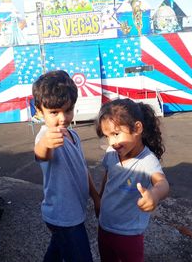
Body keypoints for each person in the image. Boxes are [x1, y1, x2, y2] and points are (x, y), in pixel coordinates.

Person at [32, 70, 100, 262]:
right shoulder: (45, 136)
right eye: (54, 112)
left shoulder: (74, 136)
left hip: (75, 211)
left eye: (68, 110)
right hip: (63, 216)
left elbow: (82, 168)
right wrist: (45, 143)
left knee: (58, 250)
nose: (62, 118)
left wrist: (96, 197)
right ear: (39, 110)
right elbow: (40, 153)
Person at [94, 98, 170, 262]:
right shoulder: (111, 153)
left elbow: (162, 183)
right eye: (108, 136)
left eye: (116, 134)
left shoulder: (147, 161)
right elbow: (108, 177)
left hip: (129, 233)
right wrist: (99, 200)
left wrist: (154, 195)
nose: (112, 142)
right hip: (105, 226)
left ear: (137, 128)